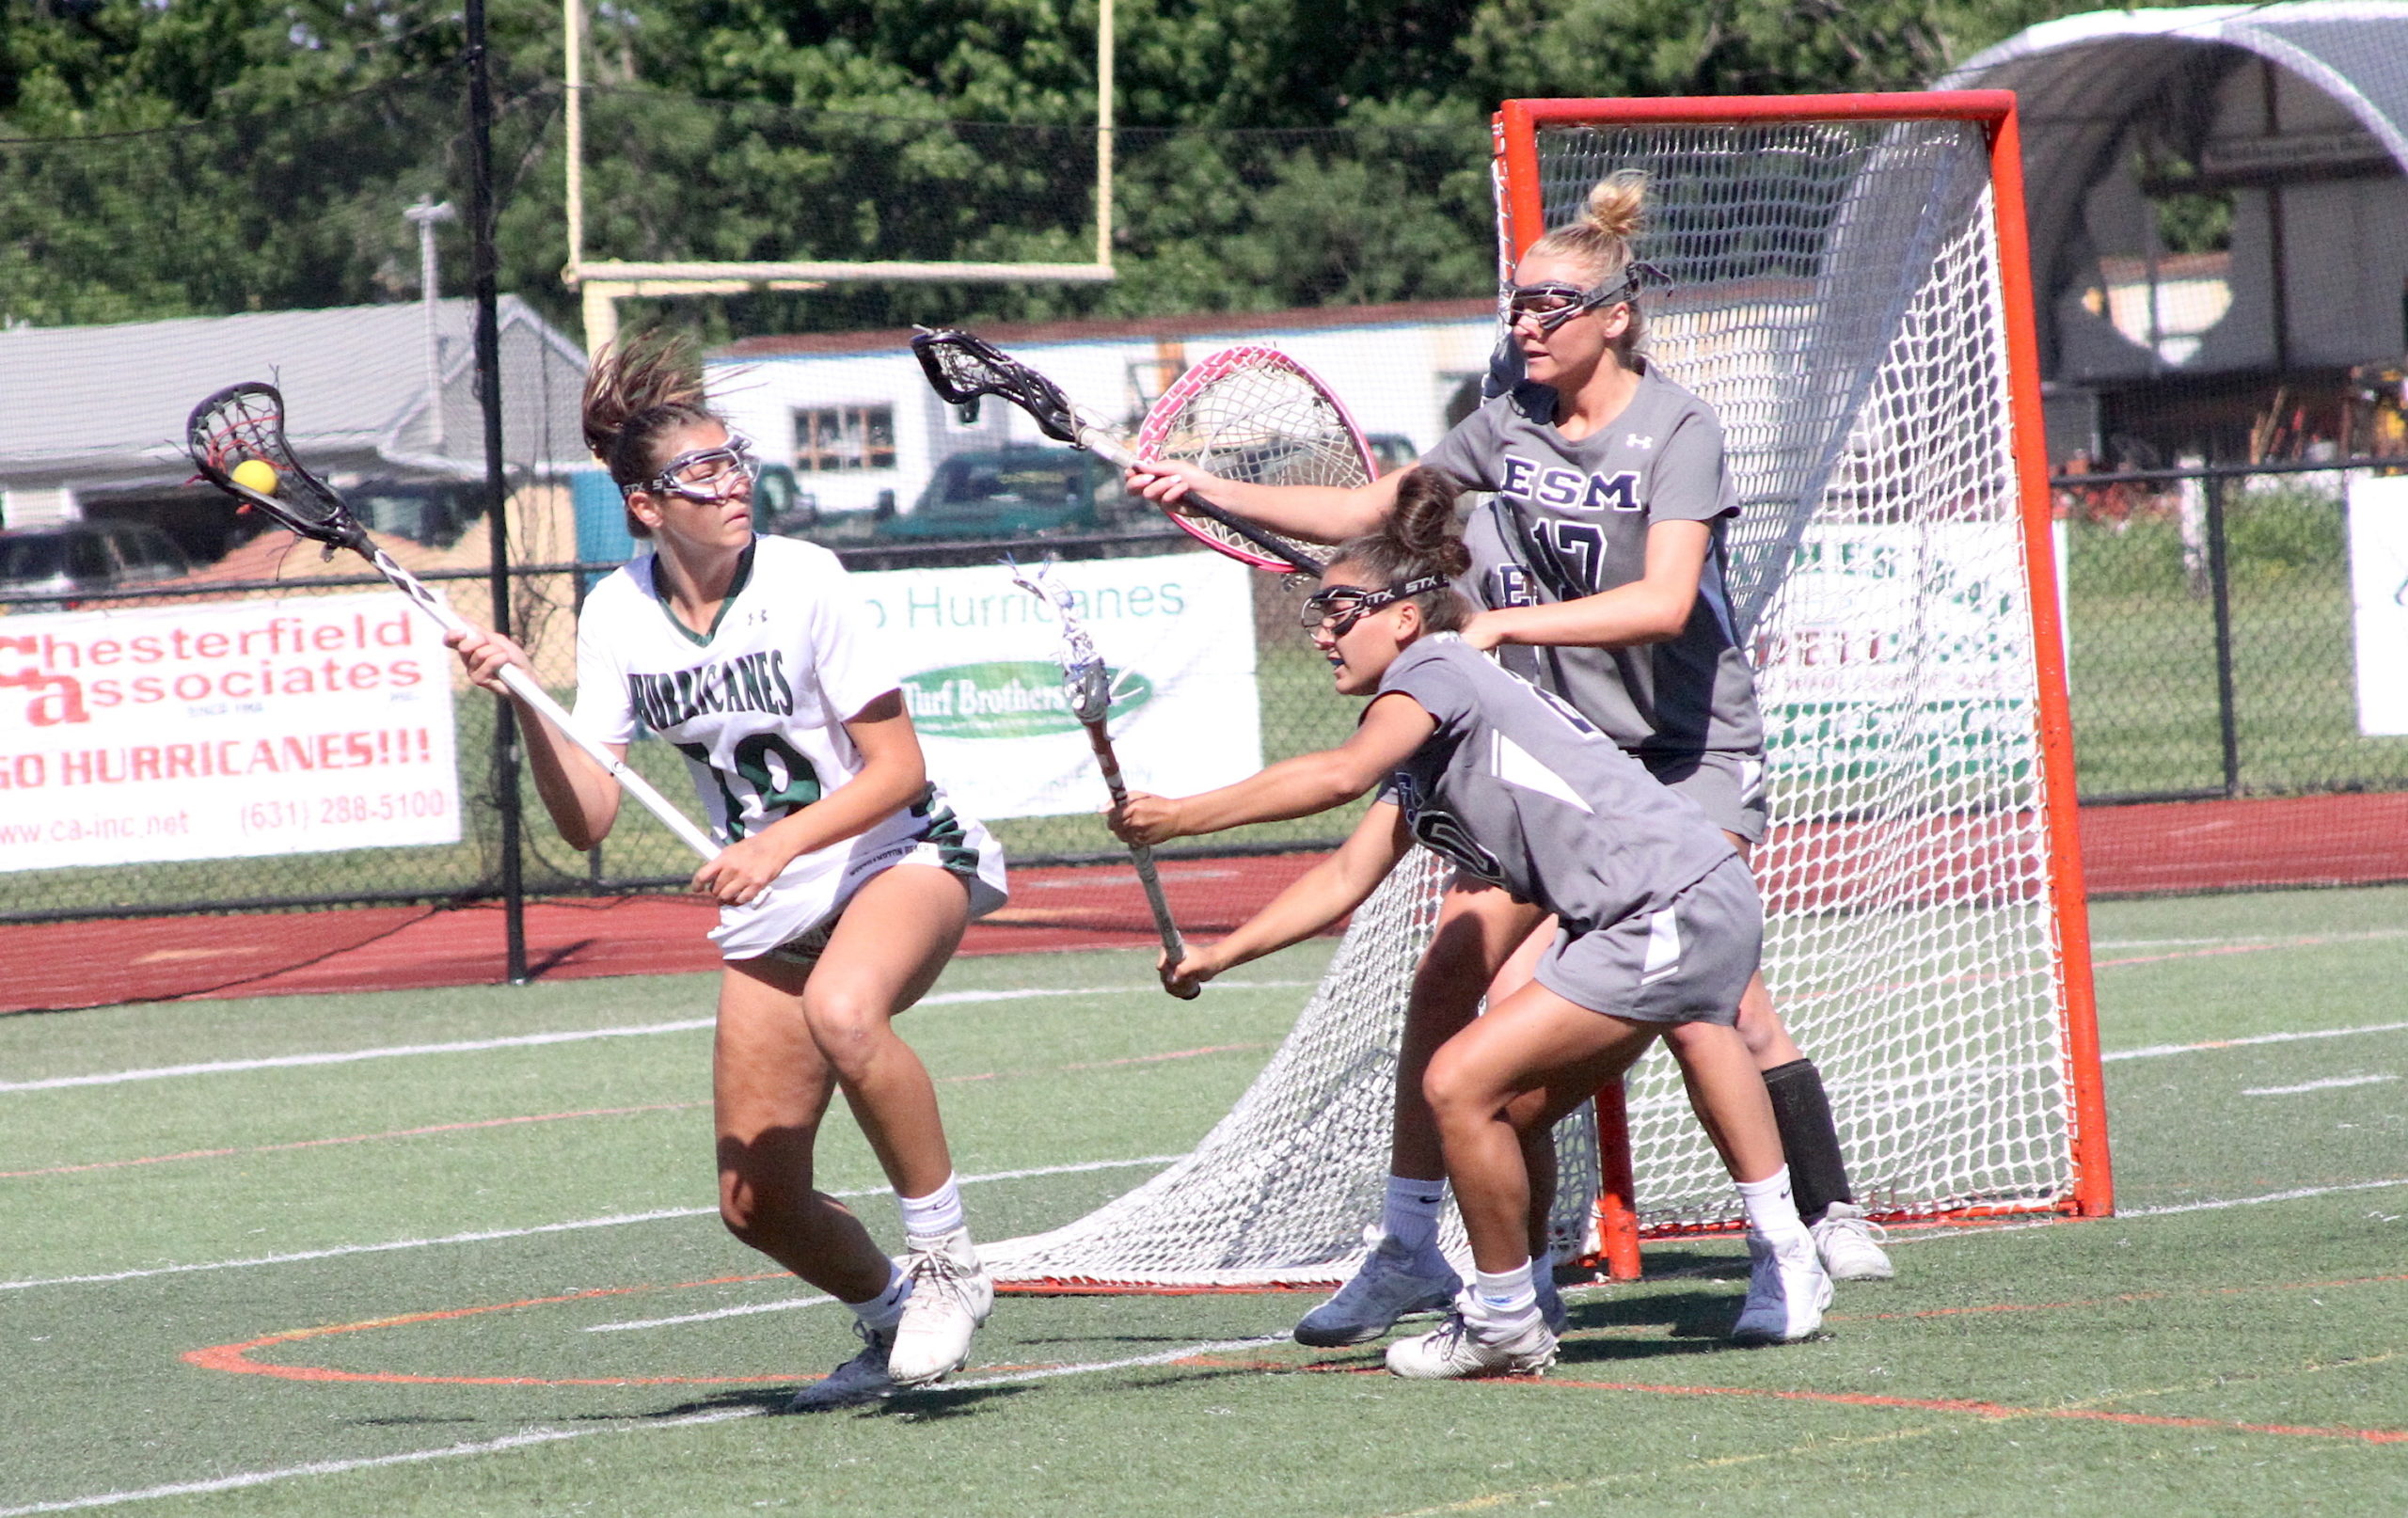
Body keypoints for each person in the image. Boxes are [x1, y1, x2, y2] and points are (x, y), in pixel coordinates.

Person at [1125, 172, 1890, 1348]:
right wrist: (1202, 485)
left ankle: (1795, 1232)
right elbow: (1385, 510)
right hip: (1567, 757)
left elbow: (1663, 600)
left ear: (1615, 314)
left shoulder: (1675, 427)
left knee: (1705, 1000)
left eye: (1550, 305)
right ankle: (1410, 1247)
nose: (1524, 324)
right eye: (1516, 305)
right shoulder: (1507, 421)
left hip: (1686, 752)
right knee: (1451, 973)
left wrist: (1501, 627)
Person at [1109, 481, 1831, 1377]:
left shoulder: (1437, 670)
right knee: (1510, 1107)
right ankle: (1528, 1296)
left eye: (1339, 609)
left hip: (1666, 902)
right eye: (1318, 615)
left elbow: (1337, 775)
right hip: (1645, 915)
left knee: (1458, 1082)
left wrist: (1179, 816)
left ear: (1406, 619)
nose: (1323, 632)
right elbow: (1343, 876)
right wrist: (1217, 955)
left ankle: (1514, 1319)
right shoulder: (1428, 737)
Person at [445, 334, 1010, 1411]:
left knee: (849, 1010)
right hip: (780, 896)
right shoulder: (615, 614)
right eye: (699, 473)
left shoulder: (805, 578)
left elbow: (899, 769)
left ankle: (947, 1263)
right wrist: (526, 704)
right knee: (757, 1203)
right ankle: (891, 1318)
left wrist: (777, 845)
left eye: (733, 461)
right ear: (646, 507)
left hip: (895, 851)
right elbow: (590, 818)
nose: (732, 483)